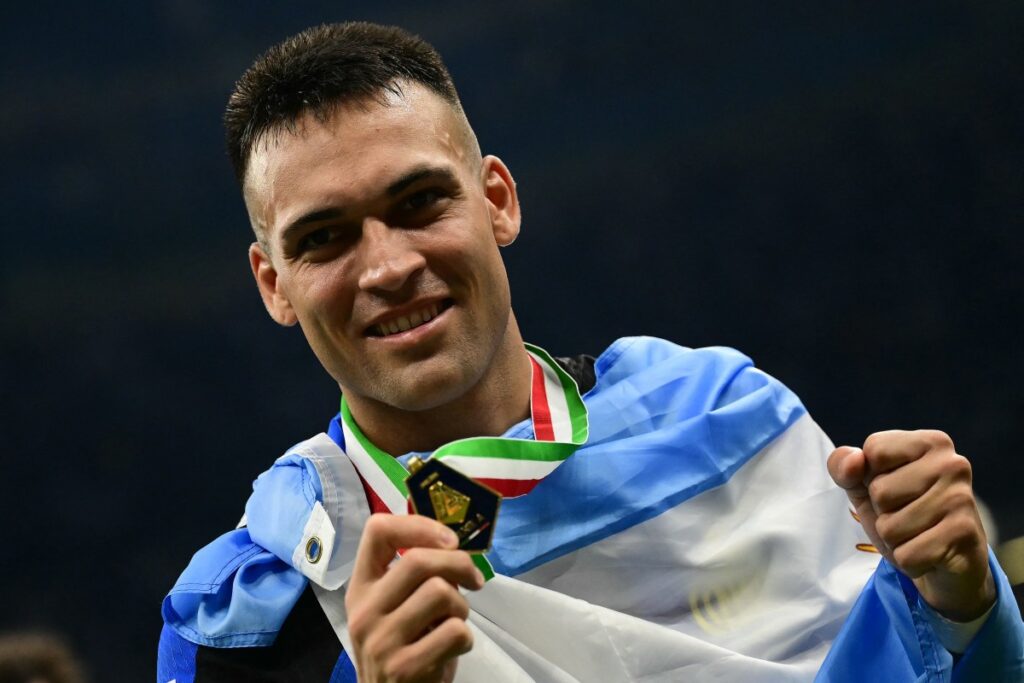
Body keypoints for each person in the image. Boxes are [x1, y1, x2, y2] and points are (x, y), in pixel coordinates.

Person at [157, 22, 1024, 682]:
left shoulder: (719, 419)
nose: (387, 265)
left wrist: (965, 603)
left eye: (421, 201)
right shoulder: (246, 612)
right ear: (274, 284)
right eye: (325, 238)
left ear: (497, 201)